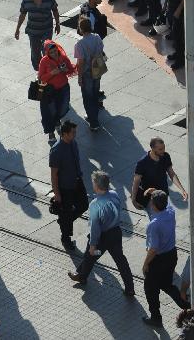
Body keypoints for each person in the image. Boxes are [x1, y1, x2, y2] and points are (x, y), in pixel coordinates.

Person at [67, 170, 134, 293]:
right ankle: (130, 288)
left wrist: (93, 245)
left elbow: (95, 228)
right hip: (115, 234)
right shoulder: (114, 194)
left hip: (102, 238)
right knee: (120, 260)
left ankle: (81, 276)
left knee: (91, 255)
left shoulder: (95, 204)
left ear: (96, 186)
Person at [142, 189, 187, 326]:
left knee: (150, 288)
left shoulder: (154, 224)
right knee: (167, 284)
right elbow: (164, 202)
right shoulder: (170, 212)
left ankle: (156, 317)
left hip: (158, 260)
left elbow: (153, 249)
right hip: (172, 255)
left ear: (153, 205)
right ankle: (186, 304)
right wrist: (154, 192)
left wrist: (145, 264)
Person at [49, 120, 88, 250]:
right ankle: (65, 238)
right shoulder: (56, 150)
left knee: (84, 205)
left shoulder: (73, 143)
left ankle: (65, 220)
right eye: (73, 132)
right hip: (65, 187)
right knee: (66, 212)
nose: (75, 134)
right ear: (64, 134)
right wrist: (57, 194)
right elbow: (54, 174)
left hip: (77, 181)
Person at [15, 0, 60, 71]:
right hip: (33, 30)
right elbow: (22, 14)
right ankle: (39, 71)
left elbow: (55, 10)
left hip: (46, 29)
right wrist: (17, 29)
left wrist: (58, 24)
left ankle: (48, 69)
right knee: (35, 53)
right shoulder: (26, 0)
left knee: (46, 50)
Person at [131, 137, 188, 210]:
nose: (163, 151)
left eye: (164, 148)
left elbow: (171, 173)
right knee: (156, 218)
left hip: (163, 195)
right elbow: (136, 182)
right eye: (160, 149)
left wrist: (182, 190)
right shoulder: (142, 163)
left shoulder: (165, 156)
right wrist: (133, 199)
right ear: (152, 148)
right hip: (150, 199)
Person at [38, 40, 75, 142]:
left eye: (55, 51)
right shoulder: (44, 61)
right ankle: (51, 133)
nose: (54, 54)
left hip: (63, 88)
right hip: (49, 91)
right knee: (50, 112)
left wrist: (66, 70)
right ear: (47, 53)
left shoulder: (62, 57)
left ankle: (57, 121)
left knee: (63, 108)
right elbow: (41, 78)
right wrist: (52, 73)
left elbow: (71, 70)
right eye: (51, 52)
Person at [73, 16, 105, 132]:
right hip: (97, 69)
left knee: (87, 97)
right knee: (95, 93)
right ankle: (94, 116)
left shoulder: (79, 44)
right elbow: (101, 50)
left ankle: (93, 121)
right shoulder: (97, 38)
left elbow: (80, 62)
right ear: (90, 27)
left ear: (80, 29)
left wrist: (79, 77)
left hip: (86, 73)